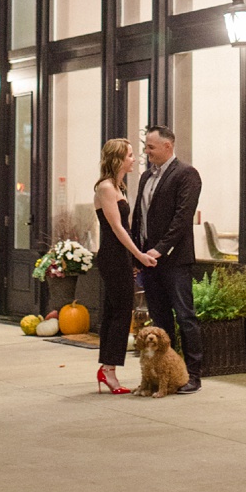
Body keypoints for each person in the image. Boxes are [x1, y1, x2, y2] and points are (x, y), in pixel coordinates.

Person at [130, 124, 204, 393]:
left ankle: (193, 375)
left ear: (168, 146)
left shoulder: (186, 174)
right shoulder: (145, 177)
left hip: (174, 259)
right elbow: (140, 216)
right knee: (160, 320)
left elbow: (182, 218)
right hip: (148, 259)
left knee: (185, 316)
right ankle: (163, 375)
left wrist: (159, 249)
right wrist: (138, 252)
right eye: (145, 147)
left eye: (150, 146)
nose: (146, 152)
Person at [93, 137, 158, 394]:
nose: (134, 158)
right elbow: (117, 228)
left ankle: (107, 368)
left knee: (117, 312)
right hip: (112, 255)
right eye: (130, 155)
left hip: (120, 256)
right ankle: (109, 370)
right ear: (118, 158)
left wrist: (132, 258)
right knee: (120, 313)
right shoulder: (107, 187)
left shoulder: (118, 186)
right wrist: (139, 256)